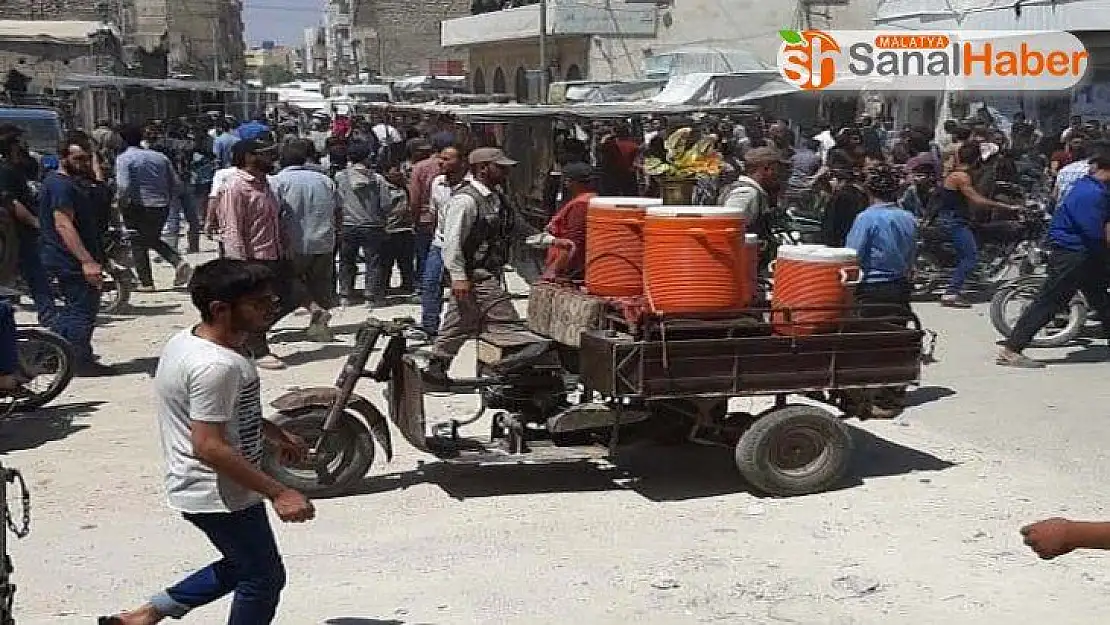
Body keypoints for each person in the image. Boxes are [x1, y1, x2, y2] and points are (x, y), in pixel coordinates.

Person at [99, 259, 314, 625]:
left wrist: (274, 434)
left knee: (246, 564)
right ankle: (150, 613)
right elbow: (209, 446)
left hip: (217, 486)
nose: (271, 308)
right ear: (220, 309)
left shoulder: (191, 340)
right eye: (259, 302)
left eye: (270, 300)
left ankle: (147, 614)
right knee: (262, 577)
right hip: (218, 491)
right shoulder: (215, 366)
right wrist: (279, 492)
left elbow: (220, 413)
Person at [997, 150, 1110, 368]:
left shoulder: (1092, 188)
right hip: (1074, 254)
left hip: (1086, 254)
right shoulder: (1090, 194)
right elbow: (1095, 231)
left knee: (1099, 297)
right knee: (1051, 300)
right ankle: (1011, 349)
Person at [423, 147, 521, 385]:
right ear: (483, 168)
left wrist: (546, 240)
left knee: (461, 321)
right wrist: (458, 277)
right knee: (506, 323)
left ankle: (435, 369)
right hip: (475, 275)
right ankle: (513, 376)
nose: (506, 171)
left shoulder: (496, 196)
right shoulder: (466, 201)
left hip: (484, 273)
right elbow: (451, 243)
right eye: (501, 167)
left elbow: (517, 225)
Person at [846, 164, 918, 417]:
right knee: (895, 339)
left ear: (869, 190)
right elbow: (911, 254)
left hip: (872, 288)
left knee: (871, 343)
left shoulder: (866, 218)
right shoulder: (907, 217)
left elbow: (853, 255)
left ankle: (876, 397)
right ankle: (892, 392)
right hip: (899, 286)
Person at [39, 132, 114, 376]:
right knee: (82, 311)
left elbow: (101, 194)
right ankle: (79, 360)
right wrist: (87, 261)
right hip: (69, 260)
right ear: (63, 158)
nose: (83, 164)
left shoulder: (71, 183)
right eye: (79, 159)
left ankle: (54, 354)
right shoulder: (61, 185)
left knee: (75, 309)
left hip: (69, 257)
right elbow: (63, 224)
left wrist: (94, 167)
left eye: (87, 159)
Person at [212, 139, 288, 370]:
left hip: (271, 253)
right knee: (254, 305)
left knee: (286, 297)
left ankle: (242, 342)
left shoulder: (265, 184)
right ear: (248, 157)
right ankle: (257, 350)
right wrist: (239, 265)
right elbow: (232, 227)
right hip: (251, 257)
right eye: (264, 154)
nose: (271, 159)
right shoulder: (235, 186)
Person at [270, 139, 339, 343]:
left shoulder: (278, 181)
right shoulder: (325, 180)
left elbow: (274, 213)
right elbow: (338, 210)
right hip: (324, 240)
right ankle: (319, 328)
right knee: (321, 285)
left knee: (286, 286)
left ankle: (261, 328)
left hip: (294, 243)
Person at [938, 141, 1020, 307]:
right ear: (977, 159)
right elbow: (977, 199)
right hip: (956, 222)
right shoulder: (961, 177)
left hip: (958, 218)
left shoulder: (959, 173)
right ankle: (951, 293)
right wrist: (1007, 206)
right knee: (970, 257)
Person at [116, 124, 194, 292]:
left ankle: (146, 282)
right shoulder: (160, 157)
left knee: (138, 242)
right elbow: (176, 183)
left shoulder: (124, 159)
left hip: (138, 206)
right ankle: (178, 262)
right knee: (150, 238)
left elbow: (123, 186)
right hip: (161, 206)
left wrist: (120, 204)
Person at [0, 125, 53, 325]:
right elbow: (12, 202)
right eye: (20, 140)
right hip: (17, 232)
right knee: (36, 275)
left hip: (18, 231)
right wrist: (36, 223)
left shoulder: (18, 165)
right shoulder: (5, 170)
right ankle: (48, 316)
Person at [419, 145, 467, 340]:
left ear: (462, 162)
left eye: (447, 159)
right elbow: (434, 212)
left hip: (464, 246)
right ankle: (429, 327)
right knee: (430, 283)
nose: (441, 162)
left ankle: (462, 326)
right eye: (441, 158)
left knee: (463, 289)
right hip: (439, 243)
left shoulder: (470, 186)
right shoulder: (437, 183)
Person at [334, 140, 389, 307]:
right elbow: (386, 203)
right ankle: (370, 297)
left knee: (346, 261)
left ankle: (345, 295)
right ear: (368, 157)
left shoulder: (340, 177)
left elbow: (336, 202)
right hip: (372, 225)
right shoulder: (377, 179)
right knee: (373, 262)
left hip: (348, 225)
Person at [719, 146, 788, 240]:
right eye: (777, 169)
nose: (779, 174)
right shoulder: (746, 193)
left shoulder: (755, 192)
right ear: (765, 169)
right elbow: (729, 229)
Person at [541, 161, 595, 280]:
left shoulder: (581, 205)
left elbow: (573, 243)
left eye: (566, 180)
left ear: (573, 182)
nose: (565, 183)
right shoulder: (586, 200)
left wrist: (554, 270)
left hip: (567, 270)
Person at [407, 138, 443, 290]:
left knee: (424, 255)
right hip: (446, 217)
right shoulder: (456, 166)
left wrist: (413, 219)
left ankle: (424, 286)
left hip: (425, 218)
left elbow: (414, 198)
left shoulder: (420, 168)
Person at [379, 162, 416, 296]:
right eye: (395, 171)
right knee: (386, 263)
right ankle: (383, 287)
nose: (399, 173)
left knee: (406, 262)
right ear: (387, 174)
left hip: (405, 229)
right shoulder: (383, 188)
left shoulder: (406, 187)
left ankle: (408, 285)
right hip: (389, 229)